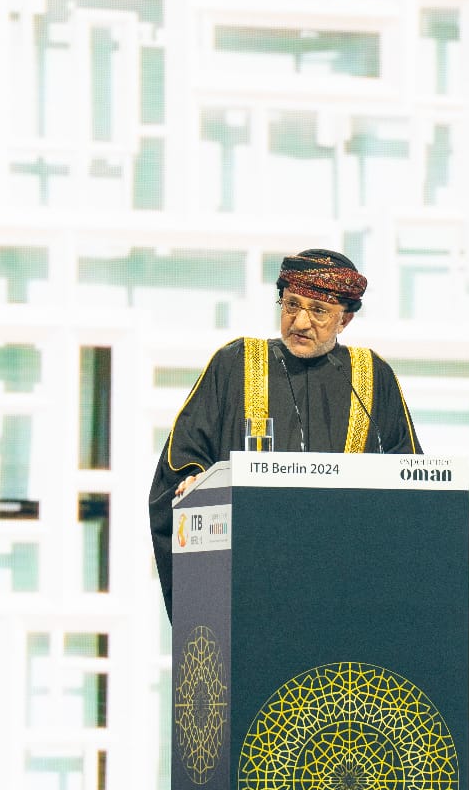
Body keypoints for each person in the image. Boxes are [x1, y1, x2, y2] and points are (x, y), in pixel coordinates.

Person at [148, 249, 422, 622]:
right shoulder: (236, 363)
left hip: (343, 589)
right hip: (248, 586)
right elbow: (182, 459)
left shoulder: (372, 375)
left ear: (345, 320)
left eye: (319, 311)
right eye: (292, 305)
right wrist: (196, 483)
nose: (301, 322)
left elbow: (411, 480)